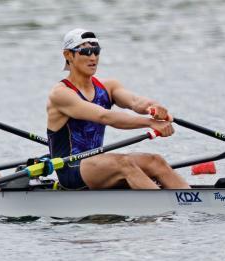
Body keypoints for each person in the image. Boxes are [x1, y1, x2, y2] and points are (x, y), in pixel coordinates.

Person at [46, 28, 190, 190]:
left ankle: (191, 201)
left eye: (96, 51)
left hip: (99, 165)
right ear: (68, 55)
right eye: (85, 51)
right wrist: (150, 123)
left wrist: (154, 108)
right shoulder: (61, 94)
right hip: (71, 170)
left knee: (156, 162)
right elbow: (105, 117)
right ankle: (162, 204)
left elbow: (135, 101)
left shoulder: (108, 87)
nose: (93, 57)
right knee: (124, 163)